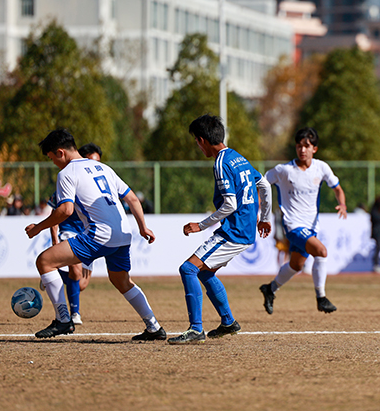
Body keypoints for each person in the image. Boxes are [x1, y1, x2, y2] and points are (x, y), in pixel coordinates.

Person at [24, 128, 165, 340]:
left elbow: (65, 211)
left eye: (52, 158)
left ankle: (63, 320)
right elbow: (133, 199)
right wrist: (143, 227)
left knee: (44, 261)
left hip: (99, 235)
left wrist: (38, 227)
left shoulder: (67, 173)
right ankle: (154, 327)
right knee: (122, 281)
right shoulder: (104, 168)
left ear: (61, 152)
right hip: (123, 234)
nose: (53, 163)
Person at [168, 114, 272, 344]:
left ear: (202, 140)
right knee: (204, 272)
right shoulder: (238, 157)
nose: (198, 147)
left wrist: (200, 225)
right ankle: (228, 322)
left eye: (196, 142)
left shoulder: (220, 163)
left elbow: (230, 204)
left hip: (234, 231)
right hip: (244, 230)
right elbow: (264, 184)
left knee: (188, 269)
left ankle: (196, 329)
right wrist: (264, 217)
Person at [259, 127, 346, 314]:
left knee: (296, 265)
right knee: (321, 251)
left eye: (306, 146)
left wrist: (342, 204)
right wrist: (259, 205)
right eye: (299, 145)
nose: (302, 150)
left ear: (315, 148)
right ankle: (321, 298)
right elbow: (263, 183)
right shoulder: (284, 170)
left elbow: (337, 188)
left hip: (311, 227)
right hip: (293, 226)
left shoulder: (321, 168)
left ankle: (270, 289)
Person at [44, 142, 104, 326]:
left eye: (98, 162)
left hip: (89, 234)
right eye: (92, 161)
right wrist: (54, 240)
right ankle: (74, 314)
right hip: (69, 232)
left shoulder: (98, 185)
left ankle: (51, 276)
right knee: (76, 272)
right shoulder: (68, 181)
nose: (95, 165)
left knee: (81, 284)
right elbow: (55, 214)